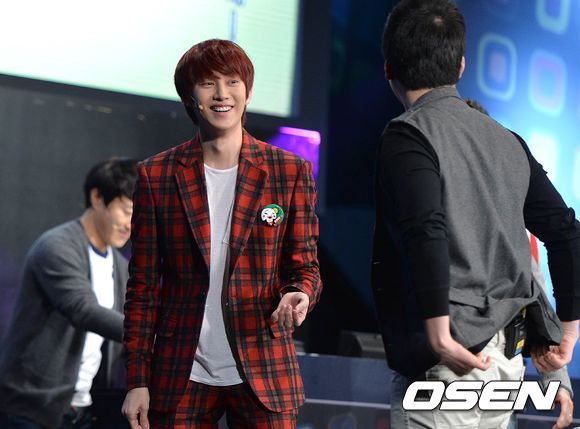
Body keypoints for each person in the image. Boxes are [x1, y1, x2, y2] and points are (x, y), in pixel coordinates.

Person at [371, 1, 580, 427]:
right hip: (506, 362)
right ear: (461, 65)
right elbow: (565, 233)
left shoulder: (408, 134)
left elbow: (426, 230)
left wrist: (437, 332)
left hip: (448, 360)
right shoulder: (509, 141)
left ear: (389, 67)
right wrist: (568, 332)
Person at [121, 39, 322, 429]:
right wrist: (137, 379)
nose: (221, 94)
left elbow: (305, 266)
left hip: (262, 364)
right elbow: (142, 288)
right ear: (190, 96)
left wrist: (300, 293)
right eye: (207, 83)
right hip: (181, 373)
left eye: (232, 81)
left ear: (248, 92)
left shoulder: (289, 172)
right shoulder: (157, 175)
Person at [0, 158, 138, 429]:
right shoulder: (56, 246)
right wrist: (149, 335)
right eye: (127, 211)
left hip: (83, 409)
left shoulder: (119, 266)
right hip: (32, 409)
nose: (130, 224)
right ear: (97, 198)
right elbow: (83, 310)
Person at [464, 99, 574, 428]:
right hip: (448, 366)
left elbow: (535, 292)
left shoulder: (515, 221)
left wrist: (555, 378)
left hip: (503, 367)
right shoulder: (431, 206)